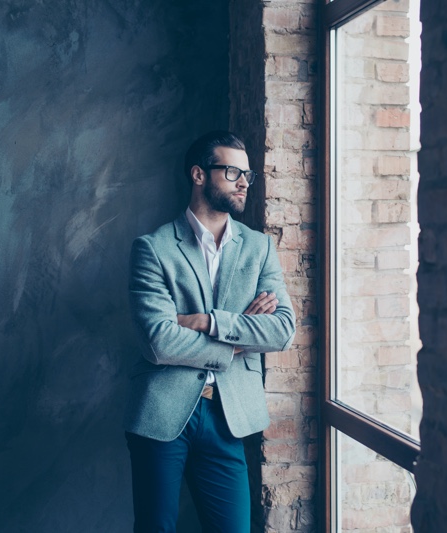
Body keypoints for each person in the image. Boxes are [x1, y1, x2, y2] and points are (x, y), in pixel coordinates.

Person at [124, 130, 296, 532]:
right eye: (232, 171)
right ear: (199, 174)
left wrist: (209, 322)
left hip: (227, 416)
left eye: (247, 175)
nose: (243, 183)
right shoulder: (153, 248)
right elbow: (158, 341)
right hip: (162, 413)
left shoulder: (259, 248)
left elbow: (282, 330)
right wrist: (238, 341)